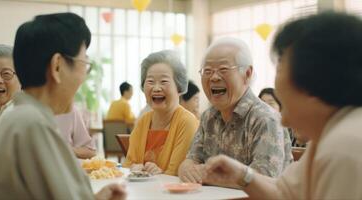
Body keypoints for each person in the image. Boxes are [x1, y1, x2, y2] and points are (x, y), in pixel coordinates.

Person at [203, 12, 362, 199]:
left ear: (312, 82)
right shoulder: (328, 136)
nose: (284, 122)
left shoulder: (344, 147)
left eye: (280, 66)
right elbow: (285, 193)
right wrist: (241, 175)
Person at [0, 13, 126, 200]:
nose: (84, 76)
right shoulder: (33, 125)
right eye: (84, 63)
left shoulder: (20, 118)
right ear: (57, 66)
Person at [179, 37, 293, 183]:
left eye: (223, 70)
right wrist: (186, 169)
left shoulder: (265, 119)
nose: (214, 77)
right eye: (207, 71)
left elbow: (263, 179)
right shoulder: (208, 116)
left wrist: (208, 176)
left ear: (247, 74)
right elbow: (191, 160)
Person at [123, 50, 199, 176]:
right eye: (150, 81)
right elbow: (128, 164)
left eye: (164, 81)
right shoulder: (143, 121)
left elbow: (175, 173)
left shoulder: (187, 122)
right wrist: (135, 167)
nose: (156, 88)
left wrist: (159, 173)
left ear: (179, 87)